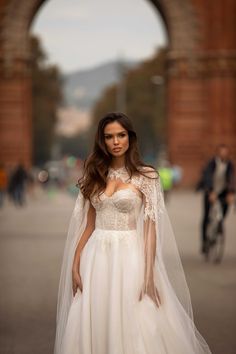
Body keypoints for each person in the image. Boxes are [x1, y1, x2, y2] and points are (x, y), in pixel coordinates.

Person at [54, 112, 211, 354]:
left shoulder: (147, 177)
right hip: (95, 258)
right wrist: (75, 265)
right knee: (95, 316)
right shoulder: (95, 175)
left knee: (134, 318)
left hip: (129, 257)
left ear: (130, 138)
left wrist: (149, 276)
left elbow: (151, 231)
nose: (115, 142)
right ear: (102, 141)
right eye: (109, 137)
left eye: (121, 135)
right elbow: (88, 226)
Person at [196, 144, 235, 254]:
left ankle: (219, 226)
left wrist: (231, 192)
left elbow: (232, 178)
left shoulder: (229, 165)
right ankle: (204, 241)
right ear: (218, 153)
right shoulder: (211, 163)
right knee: (206, 216)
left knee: (223, 213)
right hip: (210, 191)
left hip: (222, 192)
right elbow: (207, 176)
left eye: (225, 152)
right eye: (222, 152)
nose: (223, 154)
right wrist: (210, 191)